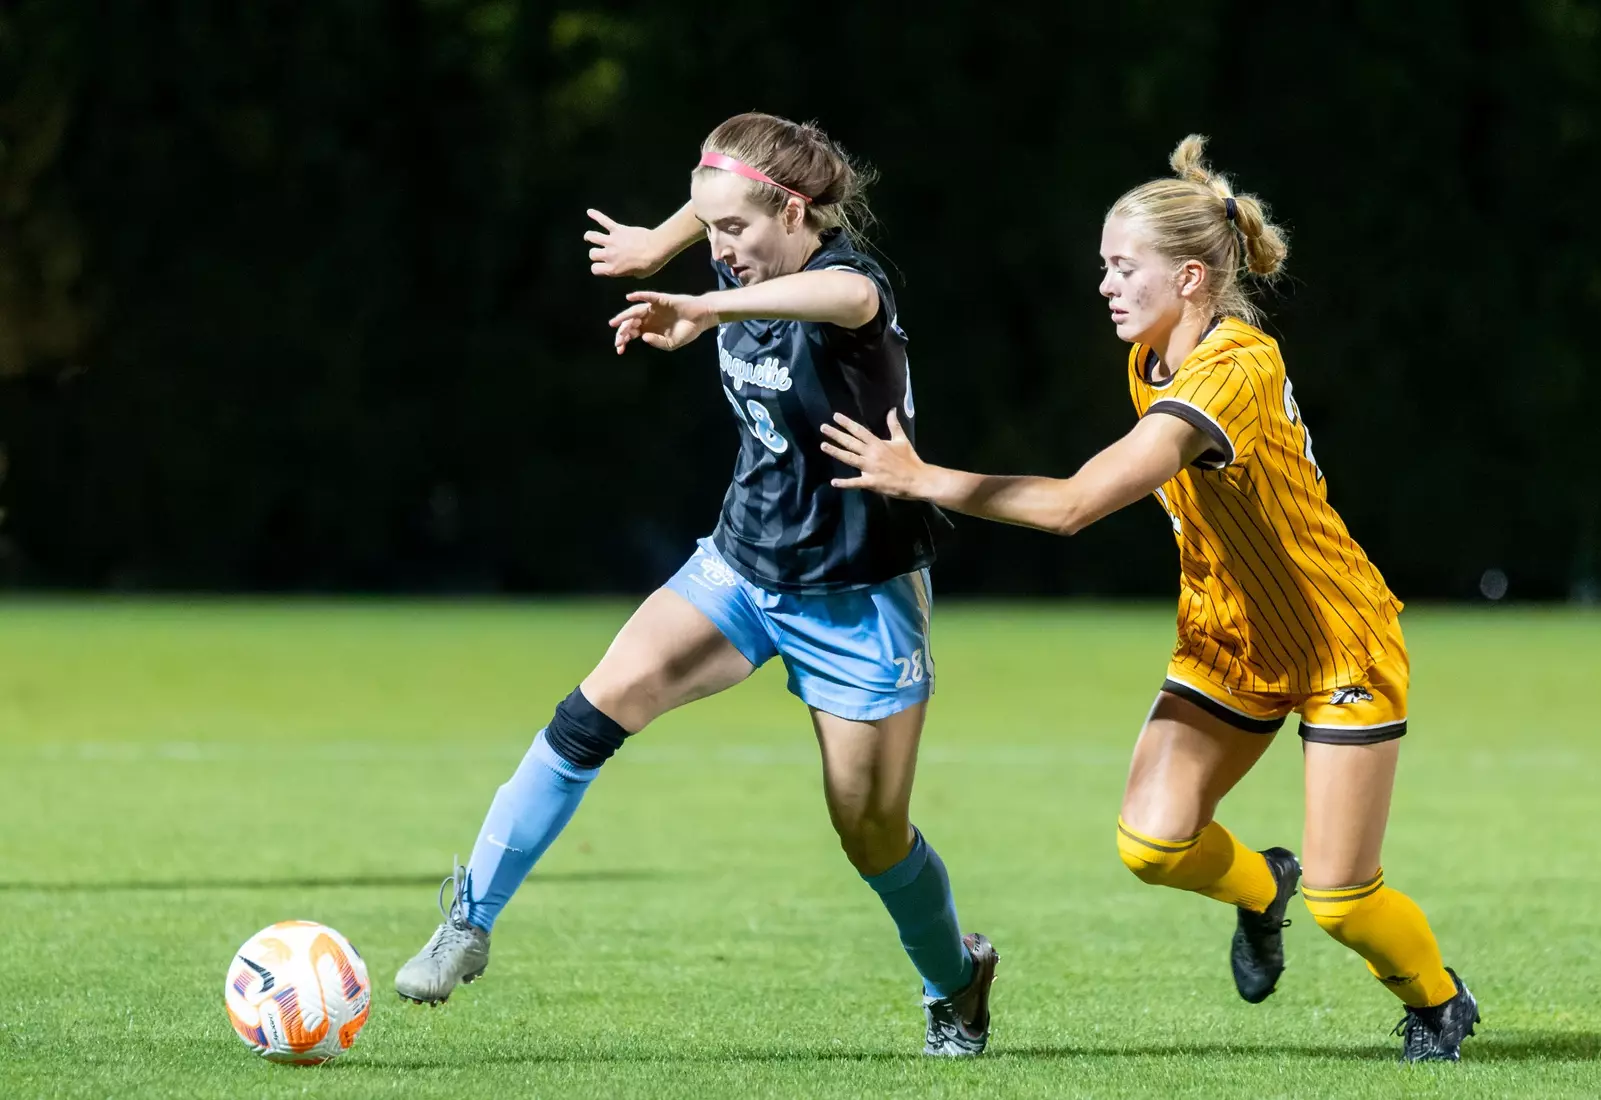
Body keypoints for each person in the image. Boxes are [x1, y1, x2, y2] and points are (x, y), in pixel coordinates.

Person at [818, 134, 1479, 1063]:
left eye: (1124, 267)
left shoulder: (1233, 370)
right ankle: (1260, 889)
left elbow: (1075, 506)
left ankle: (1437, 1002)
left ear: (1194, 278)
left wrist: (921, 478)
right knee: (1153, 843)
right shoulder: (1155, 357)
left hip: (1338, 641)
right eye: (1103, 266)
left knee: (1343, 896)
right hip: (1228, 638)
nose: (1106, 285)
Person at [394, 112, 997, 1057]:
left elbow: (835, 292)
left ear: (793, 211)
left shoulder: (848, 291)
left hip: (857, 594)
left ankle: (955, 981)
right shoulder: (744, 246)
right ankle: (467, 921)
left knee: (871, 836)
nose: (720, 249)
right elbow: (726, 196)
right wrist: (660, 241)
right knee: (591, 710)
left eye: (732, 233)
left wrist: (699, 304)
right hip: (740, 564)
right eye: (710, 231)